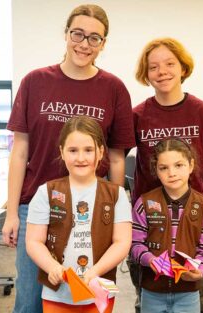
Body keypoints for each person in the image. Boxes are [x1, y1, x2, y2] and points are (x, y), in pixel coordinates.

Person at [3, 5, 135, 312]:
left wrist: (113, 211)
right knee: (30, 300)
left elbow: (116, 158)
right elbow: (20, 152)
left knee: (89, 295)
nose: (84, 44)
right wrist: (12, 213)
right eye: (78, 34)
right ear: (66, 34)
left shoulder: (114, 88)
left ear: (103, 43)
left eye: (94, 38)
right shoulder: (35, 81)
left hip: (90, 212)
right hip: (35, 209)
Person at [130, 37, 203, 313]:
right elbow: (111, 158)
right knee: (147, 301)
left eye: (170, 64)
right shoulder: (138, 115)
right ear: (145, 74)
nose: (162, 72)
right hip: (150, 226)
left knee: (197, 303)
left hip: (193, 226)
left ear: (183, 67)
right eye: (154, 67)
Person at [25, 116, 132, 313]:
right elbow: (33, 241)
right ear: (62, 152)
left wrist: (95, 271)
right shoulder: (45, 192)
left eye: (88, 150)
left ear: (101, 152)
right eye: (73, 150)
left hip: (100, 292)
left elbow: (122, 242)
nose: (81, 158)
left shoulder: (116, 195)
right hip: (57, 294)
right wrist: (51, 267)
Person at [130, 138, 203, 313]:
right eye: (164, 168)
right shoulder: (144, 203)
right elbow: (134, 245)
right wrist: (151, 260)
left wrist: (200, 270)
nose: (172, 173)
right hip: (151, 292)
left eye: (179, 165)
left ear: (191, 165)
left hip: (189, 293)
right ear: (156, 170)